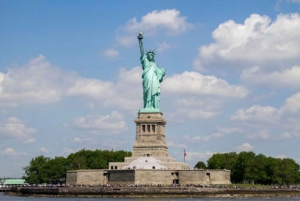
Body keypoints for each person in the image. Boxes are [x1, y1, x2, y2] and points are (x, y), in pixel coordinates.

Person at [138, 33, 166, 110]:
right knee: (147, 92)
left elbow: (159, 74)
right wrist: (140, 42)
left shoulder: (155, 65)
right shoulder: (146, 62)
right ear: (147, 56)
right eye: (149, 55)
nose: (150, 56)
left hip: (154, 80)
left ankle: (154, 107)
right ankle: (147, 106)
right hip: (147, 78)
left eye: (152, 55)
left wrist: (162, 72)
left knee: (154, 93)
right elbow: (142, 52)